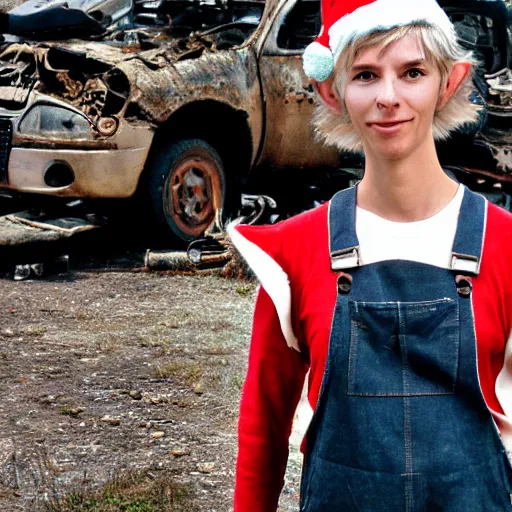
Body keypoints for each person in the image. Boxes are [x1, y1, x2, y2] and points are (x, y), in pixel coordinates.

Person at [228, 0, 512, 510]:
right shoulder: (294, 250)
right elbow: (263, 426)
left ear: (449, 81)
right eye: (364, 75)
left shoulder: (506, 246)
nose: (388, 97)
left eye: (412, 72)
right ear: (331, 91)